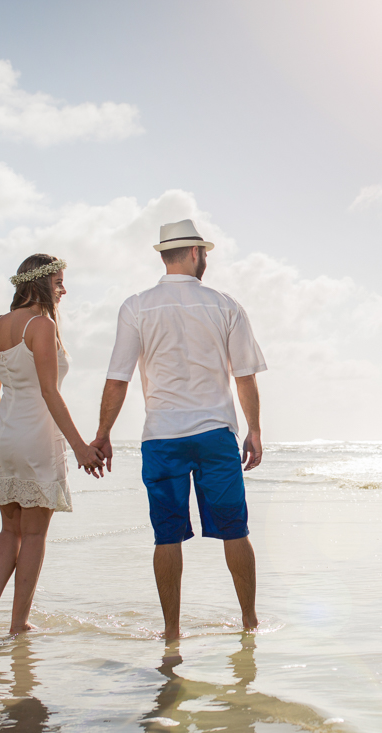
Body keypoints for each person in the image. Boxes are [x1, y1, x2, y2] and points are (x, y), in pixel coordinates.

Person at [89, 219, 266, 640]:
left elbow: (118, 379)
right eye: (203, 252)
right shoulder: (225, 305)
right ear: (194, 254)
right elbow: (244, 377)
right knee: (235, 530)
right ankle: (249, 622)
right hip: (215, 434)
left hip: (162, 437)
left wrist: (103, 433)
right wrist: (255, 430)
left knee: (166, 536)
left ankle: (172, 632)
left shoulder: (136, 306)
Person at [0, 254, 104, 641]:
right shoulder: (41, 325)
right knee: (33, 535)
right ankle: (17, 624)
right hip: (37, 438)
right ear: (43, 282)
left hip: (2, 437)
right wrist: (80, 446)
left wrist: (6, 431)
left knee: (8, 529)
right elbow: (49, 392)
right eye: (59, 281)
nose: (64, 289)